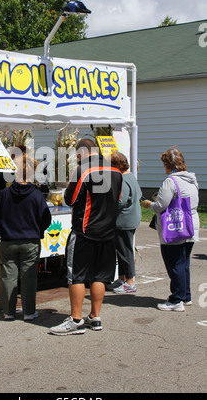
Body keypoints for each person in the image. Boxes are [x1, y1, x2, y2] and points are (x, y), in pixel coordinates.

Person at [49, 138, 122, 335]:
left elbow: (70, 199)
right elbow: (118, 200)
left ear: (81, 152)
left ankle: (75, 320)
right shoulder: (116, 171)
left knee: (77, 277)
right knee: (100, 276)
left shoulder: (84, 169)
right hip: (107, 233)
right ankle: (95, 316)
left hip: (85, 232)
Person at [0, 153, 51, 321]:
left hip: (8, 240)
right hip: (30, 240)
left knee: (8, 277)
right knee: (29, 277)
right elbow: (45, 218)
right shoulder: (36, 195)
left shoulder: (4, 193)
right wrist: (37, 229)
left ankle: (9, 311)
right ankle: (29, 312)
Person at [141, 147, 199, 312]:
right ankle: (185, 295)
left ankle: (176, 299)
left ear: (168, 164)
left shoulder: (170, 181)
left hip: (175, 228)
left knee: (174, 264)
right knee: (184, 263)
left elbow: (160, 206)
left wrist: (148, 204)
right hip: (190, 225)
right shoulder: (192, 179)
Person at [110, 151, 142, 294]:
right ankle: (122, 279)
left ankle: (129, 282)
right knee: (123, 250)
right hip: (132, 218)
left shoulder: (122, 180)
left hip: (124, 220)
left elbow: (120, 201)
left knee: (125, 252)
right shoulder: (131, 176)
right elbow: (139, 194)